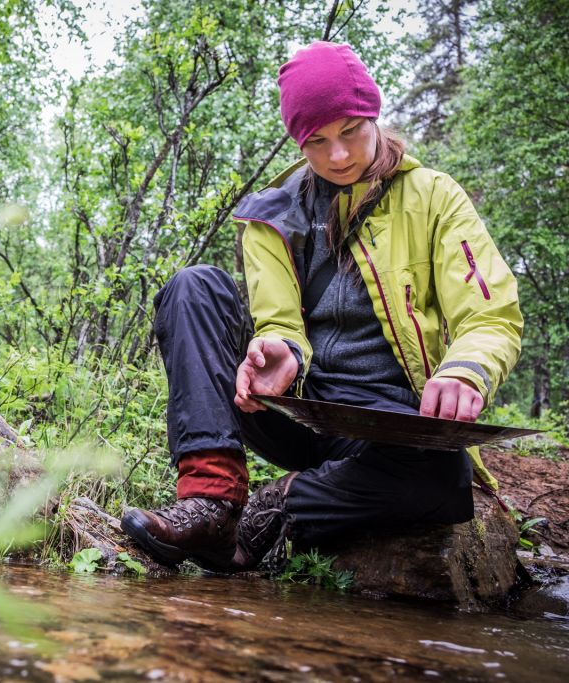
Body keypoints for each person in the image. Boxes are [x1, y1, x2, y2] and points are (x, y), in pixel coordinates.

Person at [120, 41, 522, 573]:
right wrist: (280, 351)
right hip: (298, 410)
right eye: (317, 141)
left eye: (351, 131)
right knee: (195, 285)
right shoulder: (274, 213)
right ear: (298, 141)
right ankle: (212, 501)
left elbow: (490, 315)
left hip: (392, 429)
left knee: (443, 482)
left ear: (373, 115)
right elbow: (279, 320)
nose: (338, 156)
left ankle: (270, 510)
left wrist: (467, 371)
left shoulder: (436, 198)